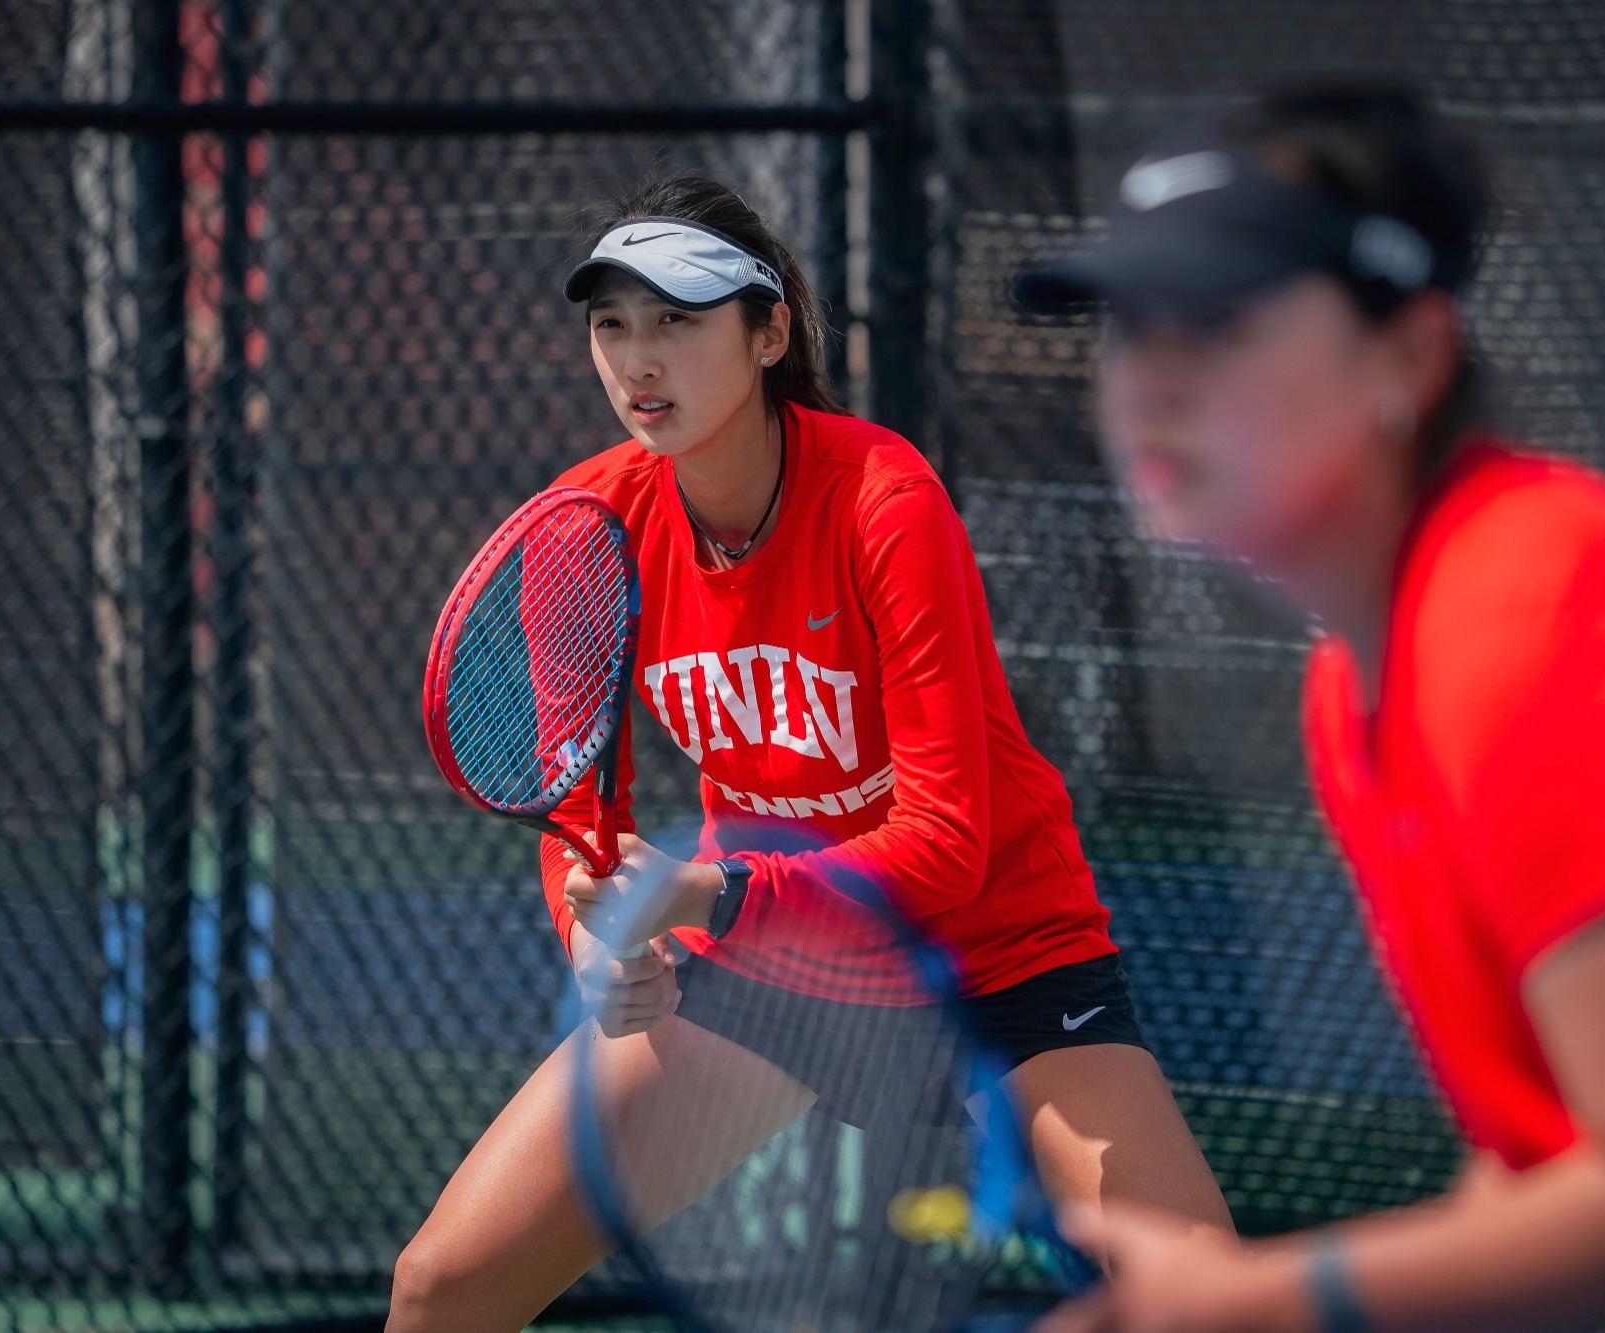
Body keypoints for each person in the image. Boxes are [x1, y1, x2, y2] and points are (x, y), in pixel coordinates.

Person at [1018, 82, 1605, 1332]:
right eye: (1130, 326)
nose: (1150, 378)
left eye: (1216, 318)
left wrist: (1263, 1302)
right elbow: (1545, 1161)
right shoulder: (1356, 677)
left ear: (1409, 354)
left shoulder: (1527, 623)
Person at [386, 174, 1232, 1332]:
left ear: (768, 333)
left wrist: (711, 891)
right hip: (769, 964)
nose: (638, 360)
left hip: (994, 956)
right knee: (442, 1286)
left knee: (1207, 1307)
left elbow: (944, 844)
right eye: (611, 324)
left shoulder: (885, 501)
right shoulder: (583, 527)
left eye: (676, 320)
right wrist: (593, 941)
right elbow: (579, 815)